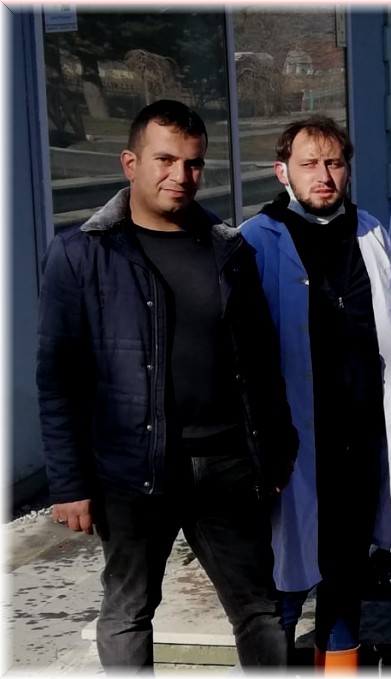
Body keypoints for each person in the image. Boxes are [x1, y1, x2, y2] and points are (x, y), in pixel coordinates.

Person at [37, 99, 297, 670]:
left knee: (260, 608)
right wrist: (68, 482)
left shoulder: (231, 250)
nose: (180, 176)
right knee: (129, 609)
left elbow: (259, 359)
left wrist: (277, 448)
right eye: (165, 160)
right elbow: (59, 379)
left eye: (194, 163)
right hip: (132, 471)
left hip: (227, 465)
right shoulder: (82, 253)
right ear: (130, 163)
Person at [239, 116, 391, 670]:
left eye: (335, 163)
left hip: (360, 433)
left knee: (346, 566)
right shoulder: (257, 240)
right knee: (284, 572)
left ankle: (340, 662)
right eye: (309, 164)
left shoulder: (370, 231)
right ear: (282, 171)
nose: (324, 176)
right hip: (292, 439)